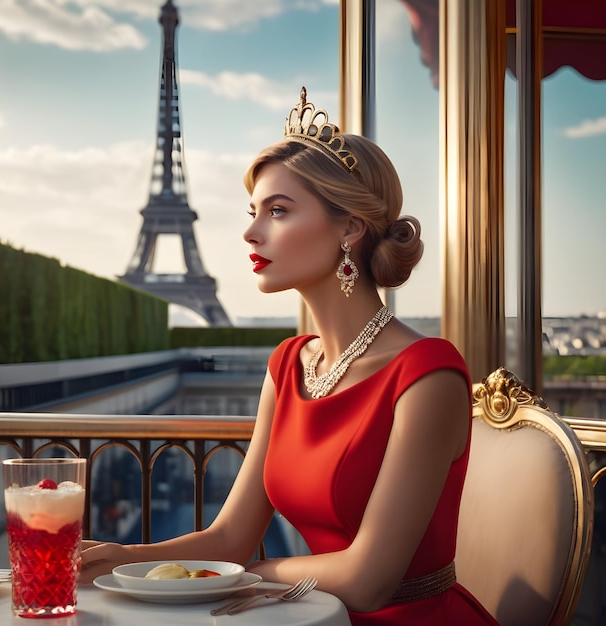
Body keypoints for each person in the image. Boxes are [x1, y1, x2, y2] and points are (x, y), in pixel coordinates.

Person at [81, 87, 499, 625]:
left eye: (278, 211)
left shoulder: (428, 376)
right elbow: (230, 537)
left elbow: (369, 583)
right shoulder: (289, 364)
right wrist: (124, 559)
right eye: (254, 211)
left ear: (349, 226)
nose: (251, 232)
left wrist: (255, 571)